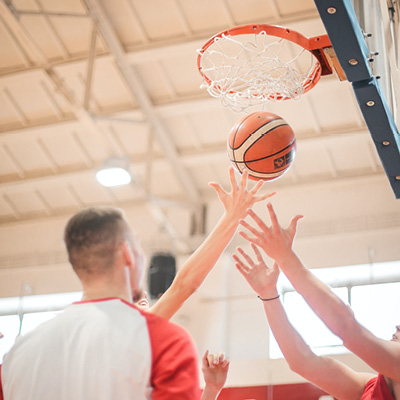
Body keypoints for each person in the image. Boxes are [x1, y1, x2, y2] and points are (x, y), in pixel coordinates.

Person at [1, 206, 201, 400]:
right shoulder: (165, 341)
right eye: (138, 244)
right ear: (127, 254)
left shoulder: (17, 354)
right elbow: (183, 287)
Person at [233, 202, 400, 400]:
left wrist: (286, 259)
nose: (396, 327)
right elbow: (302, 362)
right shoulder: (369, 387)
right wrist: (269, 295)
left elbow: (346, 327)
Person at [134, 166, 273, 398]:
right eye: (138, 301)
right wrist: (232, 217)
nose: (146, 302)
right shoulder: (130, 339)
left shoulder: (151, 368)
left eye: (144, 300)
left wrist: (211, 390)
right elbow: (184, 285)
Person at [144, 166, 275, 320]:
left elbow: (184, 285)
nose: (142, 299)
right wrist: (231, 218)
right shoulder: (137, 328)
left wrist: (232, 218)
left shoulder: (133, 327)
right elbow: (184, 285)